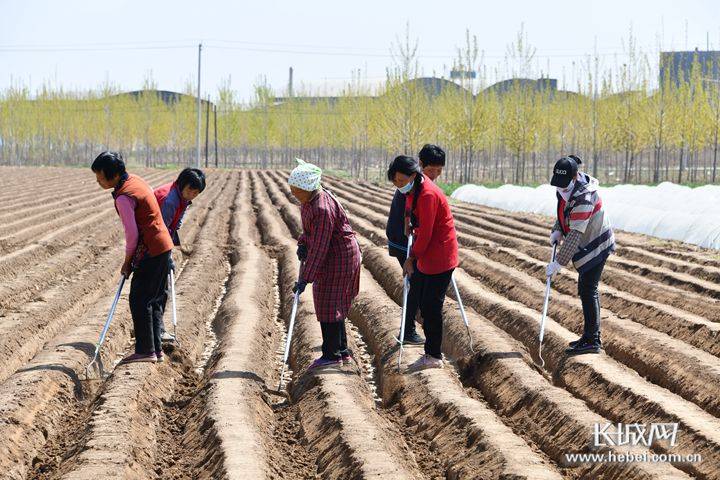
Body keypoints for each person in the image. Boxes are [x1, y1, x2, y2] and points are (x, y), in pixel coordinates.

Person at [91, 151, 174, 363]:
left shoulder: (124, 197)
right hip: (162, 245)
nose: (98, 181)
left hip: (151, 250)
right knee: (153, 299)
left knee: (139, 299)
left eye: (100, 176)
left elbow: (132, 234)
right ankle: (156, 349)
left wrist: (127, 262)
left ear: (113, 175)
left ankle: (146, 351)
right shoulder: (135, 181)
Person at [289, 159, 362, 369]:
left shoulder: (322, 208)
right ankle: (341, 351)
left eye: (296, 190)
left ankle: (331, 355)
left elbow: (320, 246)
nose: (294, 194)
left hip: (340, 258)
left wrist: (305, 278)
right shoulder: (309, 201)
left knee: (329, 303)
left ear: (308, 187)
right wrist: (303, 243)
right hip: (334, 256)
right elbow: (310, 233)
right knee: (333, 303)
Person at [387, 154, 459, 369]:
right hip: (428, 254)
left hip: (440, 254)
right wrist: (408, 222)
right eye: (395, 182)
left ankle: (434, 356)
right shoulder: (415, 187)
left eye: (401, 181)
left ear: (413, 175)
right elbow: (409, 207)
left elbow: (426, 233)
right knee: (427, 304)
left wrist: (411, 259)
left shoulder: (427, 193)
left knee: (431, 306)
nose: (399, 186)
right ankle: (431, 353)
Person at [547, 155, 615, 355]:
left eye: (564, 186)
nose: (561, 190)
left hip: (597, 244)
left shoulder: (585, 197)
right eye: (558, 186)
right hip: (586, 242)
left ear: (575, 177)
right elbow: (563, 211)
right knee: (586, 288)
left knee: (588, 289)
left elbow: (576, 234)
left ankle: (593, 340)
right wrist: (557, 228)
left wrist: (559, 263)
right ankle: (588, 336)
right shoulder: (564, 190)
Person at [385, 144, 447, 345]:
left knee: (417, 285)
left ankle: (409, 328)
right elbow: (410, 219)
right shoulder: (410, 183)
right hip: (403, 241)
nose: (435, 174)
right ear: (420, 166)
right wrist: (412, 255)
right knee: (415, 284)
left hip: (411, 240)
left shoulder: (419, 183)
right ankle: (408, 329)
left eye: (439, 170)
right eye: (431, 170)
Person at [153, 167, 206, 342]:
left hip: (158, 242)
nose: (192, 195)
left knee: (162, 288)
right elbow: (160, 232)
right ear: (183, 185)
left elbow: (173, 225)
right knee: (158, 289)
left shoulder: (180, 197)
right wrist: (165, 255)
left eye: (196, 192)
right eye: (191, 190)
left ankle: (156, 330)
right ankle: (155, 332)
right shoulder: (169, 201)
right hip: (152, 246)